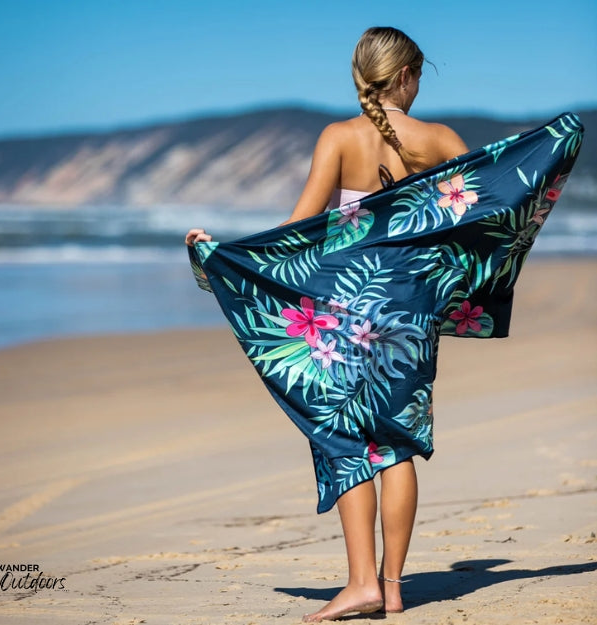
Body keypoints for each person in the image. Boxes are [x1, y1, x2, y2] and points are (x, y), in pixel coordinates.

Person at [186, 27, 470, 622]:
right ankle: (392, 588)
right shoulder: (441, 139)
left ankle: (362, 583)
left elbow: (296, 234)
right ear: (408, 76)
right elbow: (479, 216)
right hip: (410, 312)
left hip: (344, 310)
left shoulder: (339, 138)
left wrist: (222, 258)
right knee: (397, 445)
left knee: (345, 439)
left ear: (362, 78)